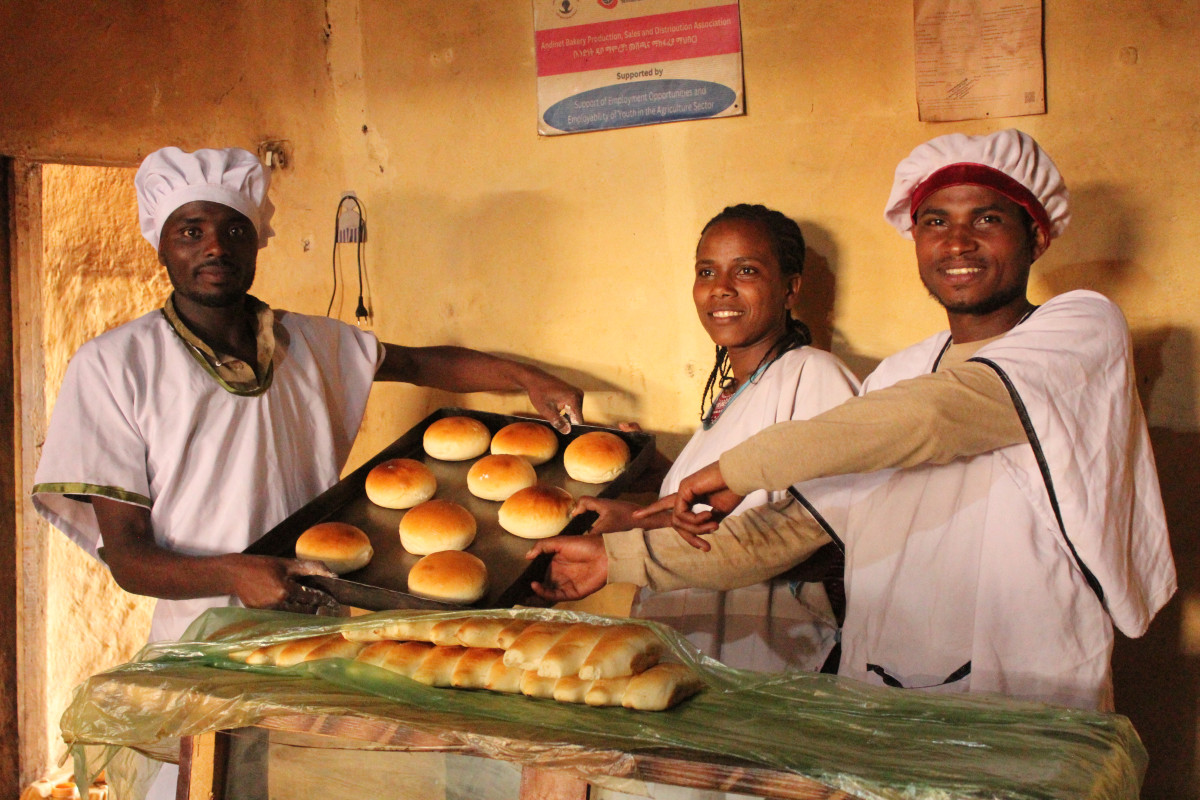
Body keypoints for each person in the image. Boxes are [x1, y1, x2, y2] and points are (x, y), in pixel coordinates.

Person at [529, 129, 1177, 711]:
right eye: (934, 221)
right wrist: (612, 560)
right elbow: (778, 535)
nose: (957, 241)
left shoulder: (1080, 330)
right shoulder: (898, 372)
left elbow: (936, 415)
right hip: (892, 697)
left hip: (1031, 690)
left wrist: (740, 468)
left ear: (1035, 235)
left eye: (987, 218)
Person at [31, 145, 585, 645]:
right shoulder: (113, 365)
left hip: (319, 612)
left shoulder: (310, 343)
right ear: (160, 245)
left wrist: (526, 377)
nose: (216, 247)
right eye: (191, 231)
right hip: (203, 636)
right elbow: (130, 559)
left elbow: (419, 362)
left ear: (257, 243)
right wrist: (234, 573)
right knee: (213, 760)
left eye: (235, 230)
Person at [572, 204, 858, 672]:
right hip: (694, 648)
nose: (721, 287)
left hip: (771, 655)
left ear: (791, 288)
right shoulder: (732, 393)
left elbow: (823, 535)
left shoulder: (814, 375)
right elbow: (706, 515)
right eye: (707, 271)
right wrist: (635, 514)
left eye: (746, 270)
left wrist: (625, 551)